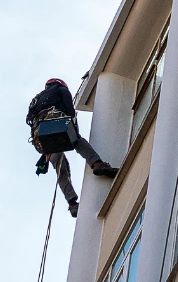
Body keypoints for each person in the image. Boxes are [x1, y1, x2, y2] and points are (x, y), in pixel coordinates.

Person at [26, 78, 118, 217]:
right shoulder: (61, 89)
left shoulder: (36, 100)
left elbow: (29, 119)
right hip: (56, 123)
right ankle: (97, 164)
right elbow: (69, 109)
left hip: (41, 137)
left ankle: (72, 202)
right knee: (78, 142)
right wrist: (73, 128)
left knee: (60, 166)